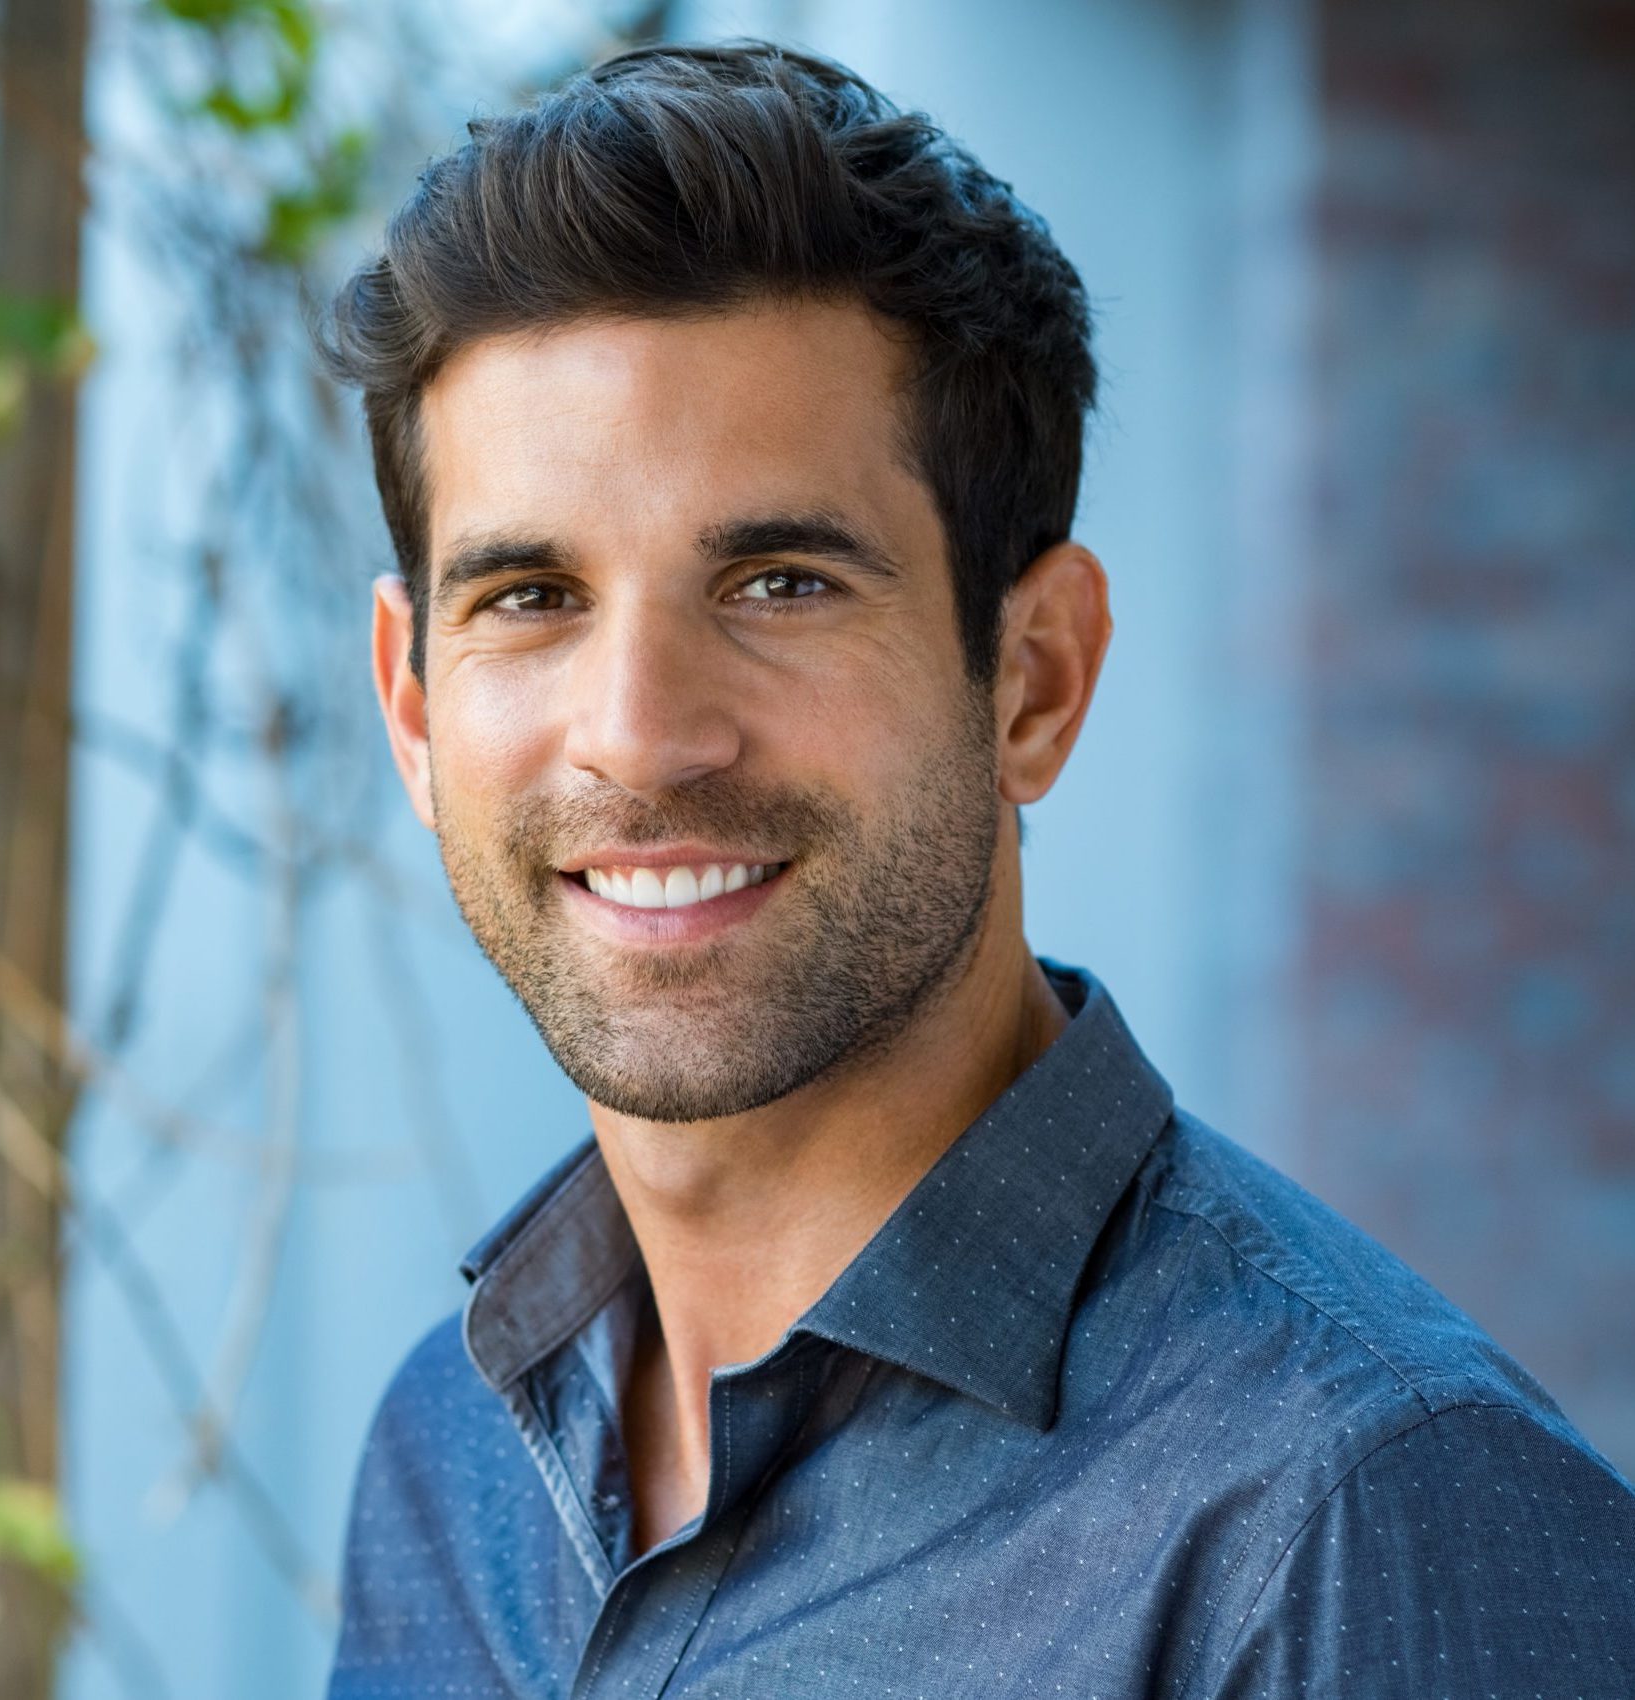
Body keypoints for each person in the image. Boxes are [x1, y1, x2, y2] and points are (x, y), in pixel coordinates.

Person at [317, 40, 1635, 1699]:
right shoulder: (450, 1465)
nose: (641, 738)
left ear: (1034, 680)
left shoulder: (1362, 1521)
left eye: (781, 583)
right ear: (415, 709)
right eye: (531, 596)